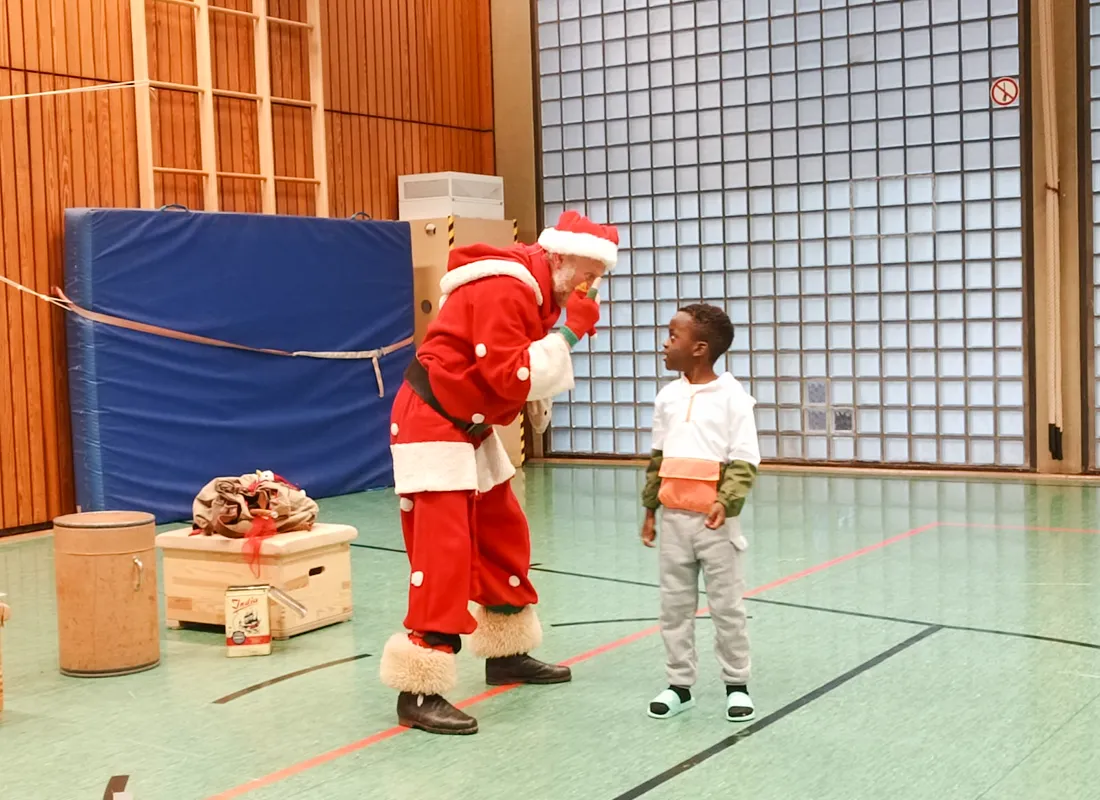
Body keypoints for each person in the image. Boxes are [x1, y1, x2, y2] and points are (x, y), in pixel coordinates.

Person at [380, 210, 618, 735]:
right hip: (433, 419)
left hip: (470, 422)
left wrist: (560, 329)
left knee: (502, 534)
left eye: (598, 275)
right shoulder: (505, 288)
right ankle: (419, 687)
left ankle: (506, 652)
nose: (590, 284)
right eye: (586, 271)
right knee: (443, 552)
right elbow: (511, 374)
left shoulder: (538, 290)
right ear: (558, 256)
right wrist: (571, 335)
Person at [640, 303, 761, 722]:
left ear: (700, 349)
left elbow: (745, 461)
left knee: (727, 606)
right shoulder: (667, 397)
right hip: (674, 521)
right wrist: (651, 508)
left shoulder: (734, 400)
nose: (665, 342)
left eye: (674, 336)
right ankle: (679, 685)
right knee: (674, 605)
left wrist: (724, 502)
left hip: (716, 522)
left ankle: (737, 684)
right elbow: (659, 457)